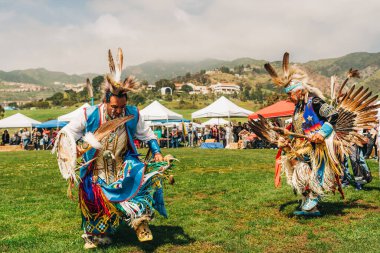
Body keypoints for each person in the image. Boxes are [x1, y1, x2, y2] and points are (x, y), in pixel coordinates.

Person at [53, 48, 176, 249]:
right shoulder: (90, 114)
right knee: (94, 200)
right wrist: (70, 151)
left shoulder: (132, 113)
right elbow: (68, 132)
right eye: (114, 107)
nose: (118, 111)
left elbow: (147, 134)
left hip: (123, 164)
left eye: (121, 107)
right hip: (96, 169)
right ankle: (98, 234)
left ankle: (141, 224)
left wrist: (157, 151)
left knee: (138, 181)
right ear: (105, 102)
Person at [250, 52, 379, 216]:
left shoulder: (315, 102)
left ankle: (312, 202)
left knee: (314, 174)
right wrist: (286, 139)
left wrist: (322, 133)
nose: (289, 97)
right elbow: (298, 129)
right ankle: (311, 205)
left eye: (290, 94)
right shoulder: (298, 108)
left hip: (319, 148)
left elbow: (333, 115)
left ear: (299, 91)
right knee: (299, 169)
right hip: (303, 146)